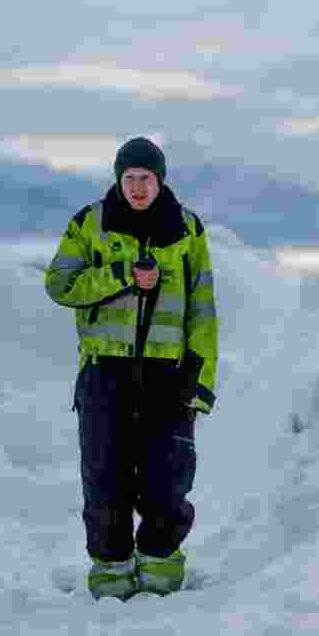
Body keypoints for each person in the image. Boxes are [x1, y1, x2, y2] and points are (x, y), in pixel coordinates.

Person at [45, 137, 218, 600]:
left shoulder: (187, 229)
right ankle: (111, 575)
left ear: (160, 181)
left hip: (169, 375)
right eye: (130, 178)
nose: (138, 187)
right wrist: (121, 276)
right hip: (105, 373)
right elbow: (59, 284)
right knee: (105, 479)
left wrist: (201, 382)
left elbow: (202, 311)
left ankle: (161, 574)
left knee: (168, 479)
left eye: (146, 178)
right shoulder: (90, 223)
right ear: (118, 180)